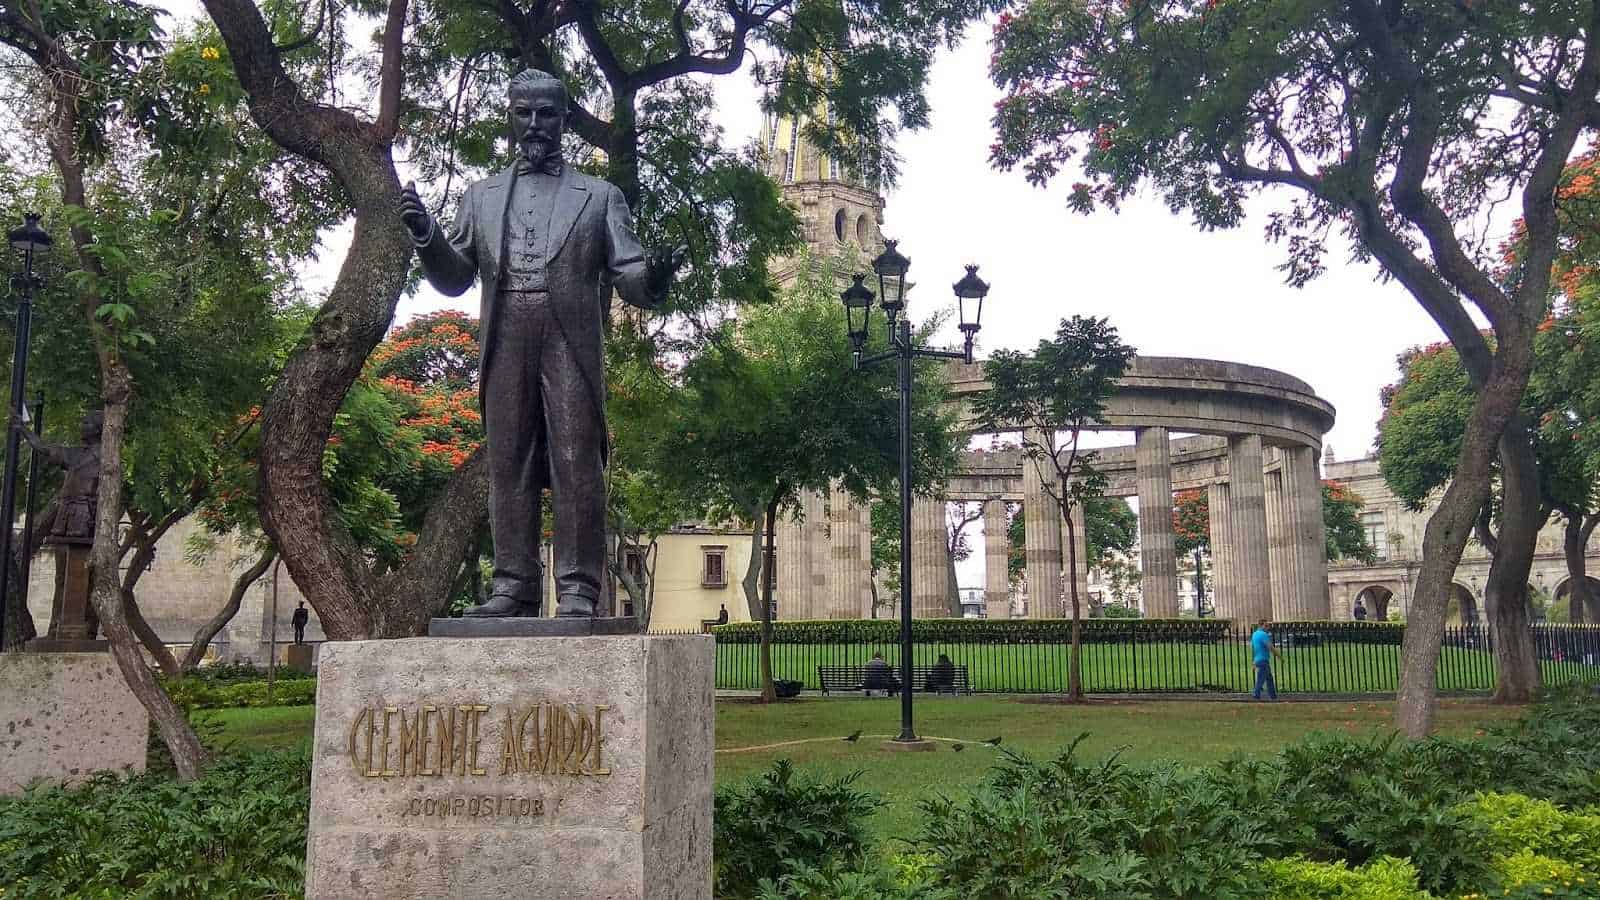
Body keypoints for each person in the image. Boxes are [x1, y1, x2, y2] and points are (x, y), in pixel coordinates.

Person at [400, 68, 686, 619]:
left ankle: (579, 586)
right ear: (511, 118)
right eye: (523, 112)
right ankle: (514, 583)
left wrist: (655, 275)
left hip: (567, 338)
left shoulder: (600, 197)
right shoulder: (481, 198)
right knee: (509, 461)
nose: (534, 124)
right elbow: (457, 275)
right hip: (506, 332)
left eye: (546, 113)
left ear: (564, 120)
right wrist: (428, 235)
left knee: (577, 459)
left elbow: (628, 272)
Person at [1251, 619, 1280, 701]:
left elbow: (1253, 648)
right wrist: (1278, 656)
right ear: (1261, 625)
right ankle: (1256, 694)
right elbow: (1270, 647)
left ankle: (1273, 696)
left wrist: (1253, 661)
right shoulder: (1263, 635)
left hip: (1258, 659)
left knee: (1269, 678)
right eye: (1266, 626)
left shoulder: (1254, 634)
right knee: (1261, 678)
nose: (1268, 628)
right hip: (1263, 659)